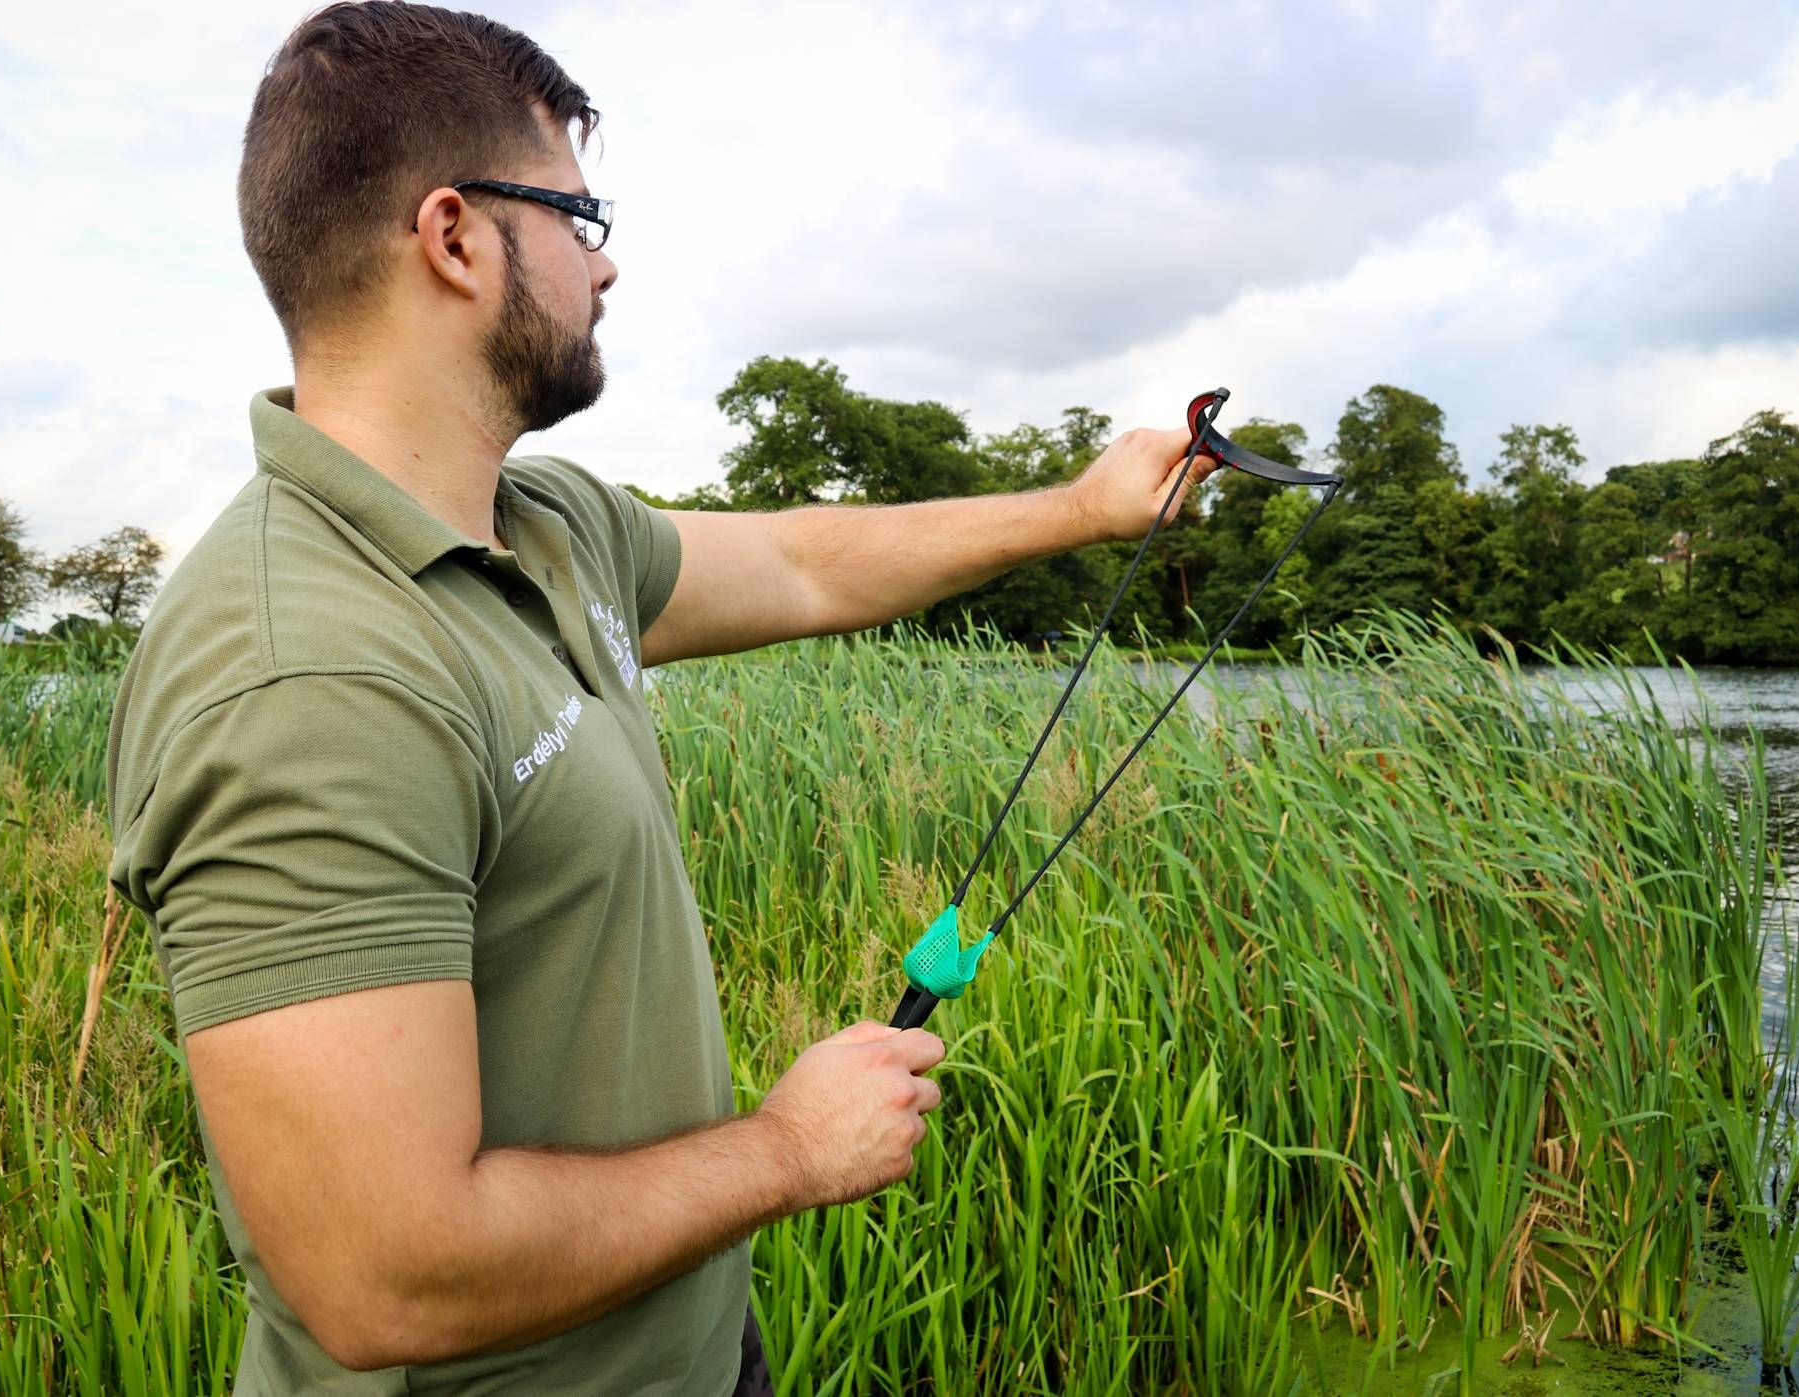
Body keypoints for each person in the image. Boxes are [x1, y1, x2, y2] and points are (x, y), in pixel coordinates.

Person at [103, 3, 1219, 1392]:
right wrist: (789, 1151)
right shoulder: (308, 675)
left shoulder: (549, 523)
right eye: (577, 215)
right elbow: (384, 1273)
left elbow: (805, 563)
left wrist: (1084, 506)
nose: (607, 260)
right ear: (452, 237)